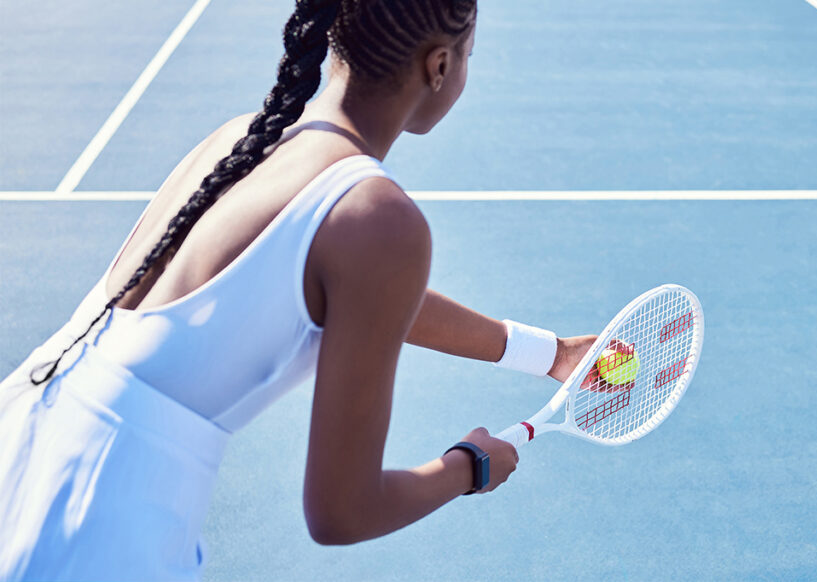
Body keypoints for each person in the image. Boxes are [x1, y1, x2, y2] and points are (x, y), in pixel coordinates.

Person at [0, 1, 596, 579]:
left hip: (20, 439)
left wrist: (548, 354)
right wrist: (470, 465)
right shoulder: (378, 219)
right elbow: (342, 511)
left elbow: (364, 297)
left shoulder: (246, 140)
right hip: (95, 517)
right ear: (438, 66)